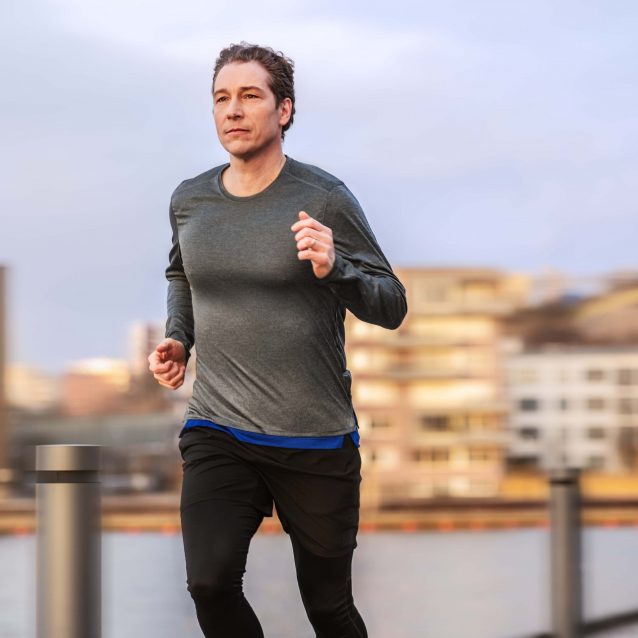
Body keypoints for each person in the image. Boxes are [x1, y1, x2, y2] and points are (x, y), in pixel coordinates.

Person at [148, 42, 407, 638]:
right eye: (221, 98)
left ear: (283, 109)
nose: (233, 110)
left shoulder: (323, 198)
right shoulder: (190, 200)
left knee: (328, 608)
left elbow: (392, 305)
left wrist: (336, 267)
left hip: (313, 437)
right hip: (218, 427)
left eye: (249, 96)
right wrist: (179, 339)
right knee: (209, 584)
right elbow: (181, 274)